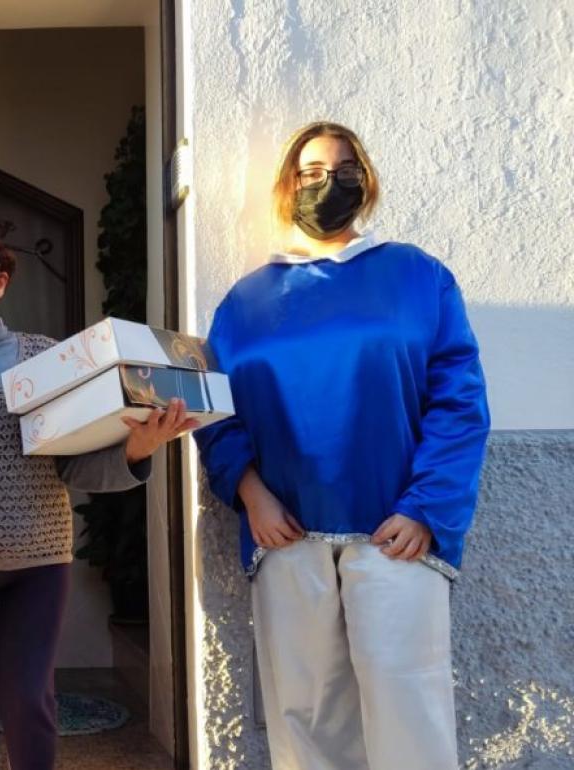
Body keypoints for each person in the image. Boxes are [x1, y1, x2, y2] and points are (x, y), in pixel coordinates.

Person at [195, 121, 490, 770]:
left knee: (408, 711)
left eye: (343, 169)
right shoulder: (245, 304)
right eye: (310, 172)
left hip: (396, 535)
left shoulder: (419, 279)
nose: (327, 183)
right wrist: (252, 496)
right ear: (287, 187)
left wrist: (426, 509)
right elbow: (215, 413)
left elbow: (458, 401)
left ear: (366, 180)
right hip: (287, 537)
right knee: (304, 719)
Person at [0, 212, 195, 769]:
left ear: (0, 280)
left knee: (29, 699)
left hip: (39, 561)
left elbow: (73, 466)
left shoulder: (48, 358)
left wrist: (139, 449)